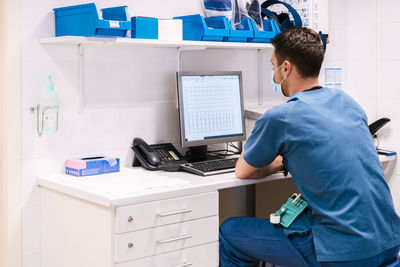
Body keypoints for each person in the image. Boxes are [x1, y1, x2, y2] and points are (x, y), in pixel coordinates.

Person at [219, 27, 400, 267]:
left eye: (273, 65)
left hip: (344, 253)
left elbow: (243, 170)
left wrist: (278, 163)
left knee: (230, 232)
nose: (273, 73)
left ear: (285, 68)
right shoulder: (348, 103)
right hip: (388, 242)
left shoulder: (281, 117)